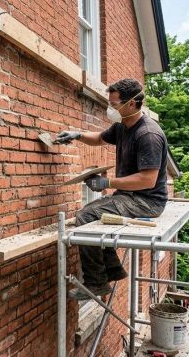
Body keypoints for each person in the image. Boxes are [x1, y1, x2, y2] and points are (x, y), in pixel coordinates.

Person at [56, 78, 169, 300]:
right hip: (129, 196)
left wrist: (107, 183)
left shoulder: (148, 135)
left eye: (114, 104)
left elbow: (148, 180)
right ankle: (113, 269)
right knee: (94, 215)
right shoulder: (122, 126)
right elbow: (99, 138)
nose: (110, 109)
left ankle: (96, 283)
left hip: (147, 201)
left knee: (85, 216)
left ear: (133, 104)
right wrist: (77, 134)